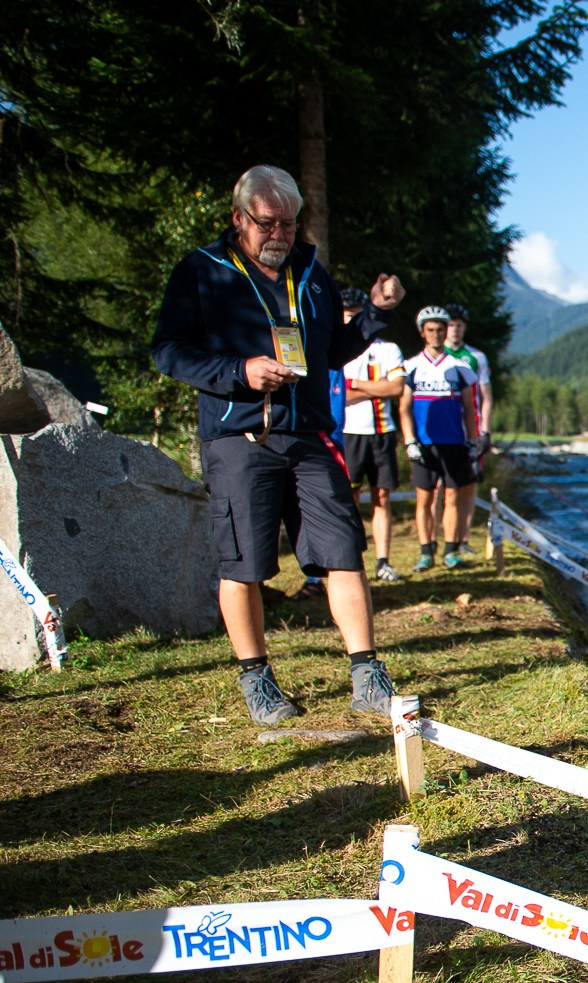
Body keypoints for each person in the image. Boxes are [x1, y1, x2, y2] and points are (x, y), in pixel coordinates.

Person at [151, 164, 402, 725]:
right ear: (240, 219)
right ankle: (257, 680)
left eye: (289, 224)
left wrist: (377, 314)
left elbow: (333, 350)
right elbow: (168, 351)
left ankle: (367, 674)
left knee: (343, 551)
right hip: (240, 437)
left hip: (310, 435)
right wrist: (239, 370)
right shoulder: (202, 271)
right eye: (268, 224)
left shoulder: (312, 272)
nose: (280, 235)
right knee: (242, 564)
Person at [398, 306, 480, 569]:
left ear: (446, 332)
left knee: (454, 497)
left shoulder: (460, 368)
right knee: (425, 498)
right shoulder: (411, 366)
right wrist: (410, 440)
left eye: (440, 330)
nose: (436, 334)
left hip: (454, 442)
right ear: (422, 332)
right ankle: (425, 551)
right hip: (424, 443)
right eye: (430, 330)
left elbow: (469, 408)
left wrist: (473, 439)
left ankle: (451, 551)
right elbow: (404, 408)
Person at [338, 288, 407, 582]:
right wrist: (372, 386)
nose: (353, 319)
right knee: (348, 497)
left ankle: (383, 560)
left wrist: (355, 386)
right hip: (347, 432)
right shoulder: (335, 352)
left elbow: (396, 388)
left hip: (381, 432)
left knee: (382, 497)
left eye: (358, 314)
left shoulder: (387, 349)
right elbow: (341, 395)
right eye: (348, 315)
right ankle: (352, 558)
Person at [444, 303, 492, 550]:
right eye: (450, 325)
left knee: (468, 485)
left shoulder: (476, 357)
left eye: (458, 325)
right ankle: (432, 541)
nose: (454, 330)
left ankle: (463, 539)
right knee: (438, 488)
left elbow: (486, 397)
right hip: (442, 430)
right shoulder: (434, 356)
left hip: (469, 431)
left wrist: (485, 430)